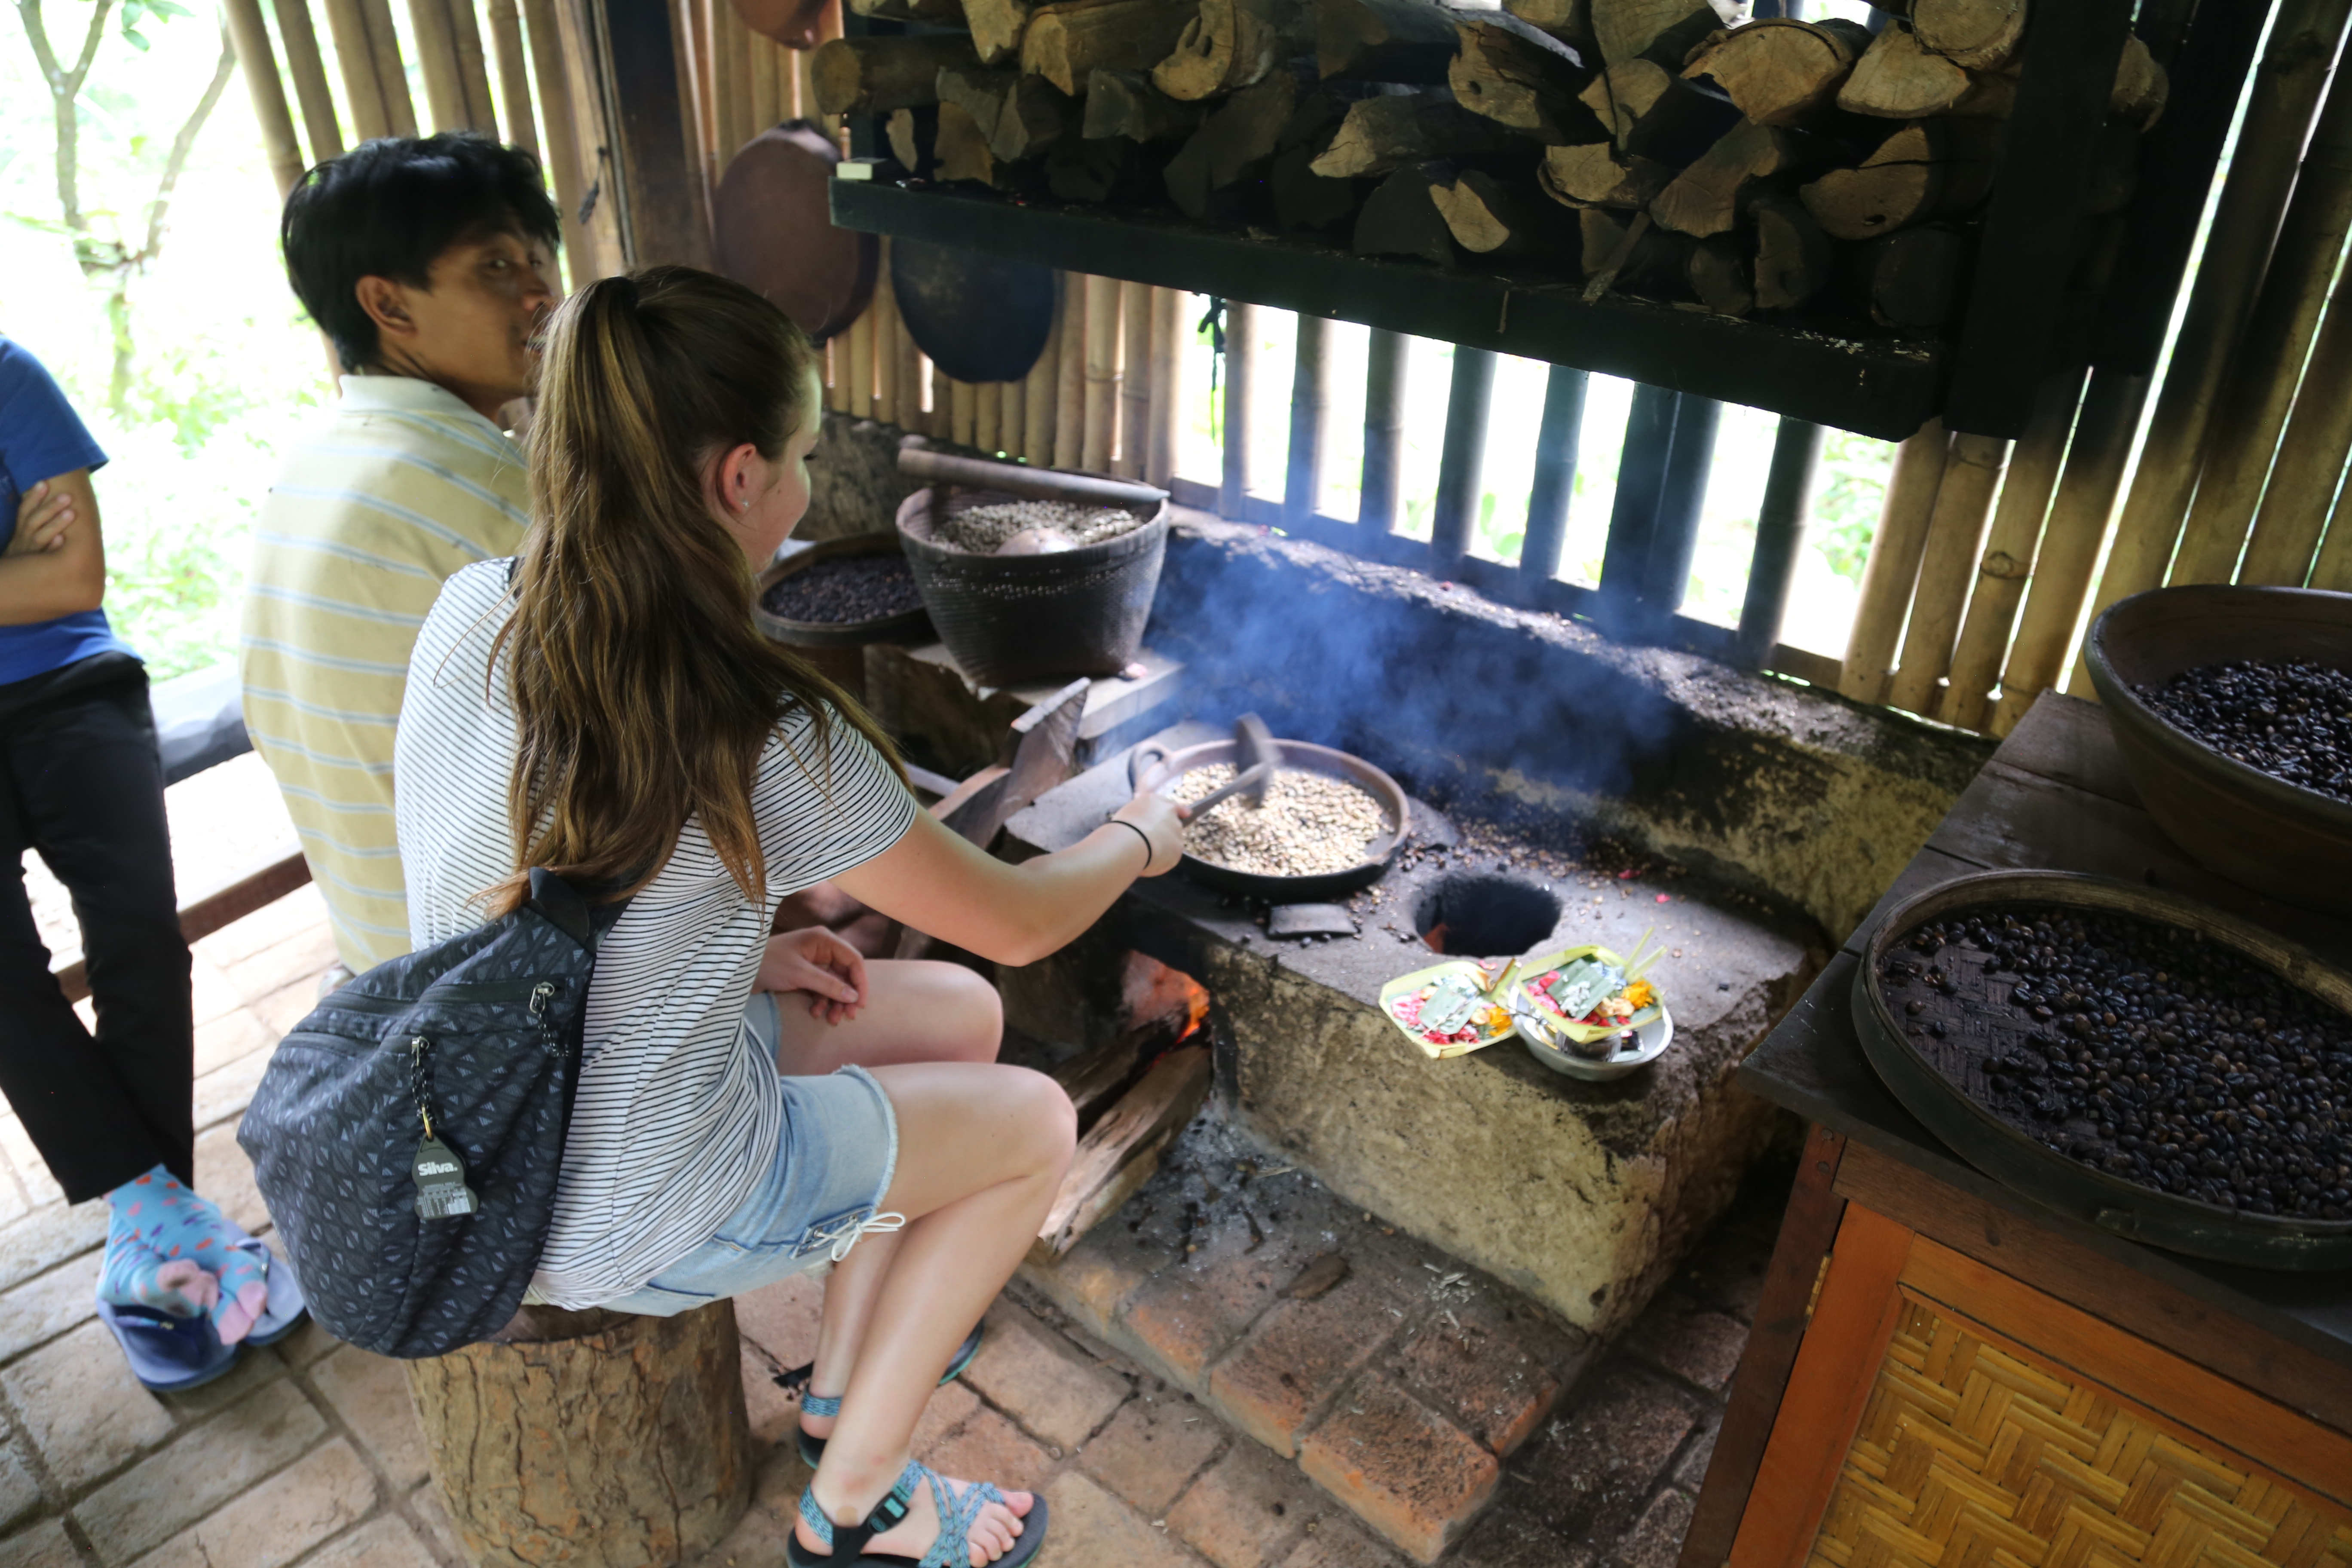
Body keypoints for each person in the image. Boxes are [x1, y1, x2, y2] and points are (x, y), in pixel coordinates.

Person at [393, 266, 1185, 1567]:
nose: (811, 490)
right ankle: (858, 1506)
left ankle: (836, 1393)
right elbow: (1025, 920)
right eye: (809, 457)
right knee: (1037, 1125)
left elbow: (515, 889)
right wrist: (1142, 834)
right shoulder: (762, 723)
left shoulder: (475, 612)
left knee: (952, 1015)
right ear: (739, 477)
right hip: (619, 1208)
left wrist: (746, 952)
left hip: (507, 1116)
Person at [0, 335, 295, 1388]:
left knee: (134, 929)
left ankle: (148, 1238)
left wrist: (39, 578)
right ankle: (168, 1223)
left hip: (71, 684)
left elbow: (75, 575)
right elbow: (34, 573)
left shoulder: (9, 374)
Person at [244, 132, 562, 977]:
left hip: (383, 962)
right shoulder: (483, 492)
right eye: (495, 269)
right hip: (506, 999)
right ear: (388, 307)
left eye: (538, 260)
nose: (541, 295)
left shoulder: (312, 472)